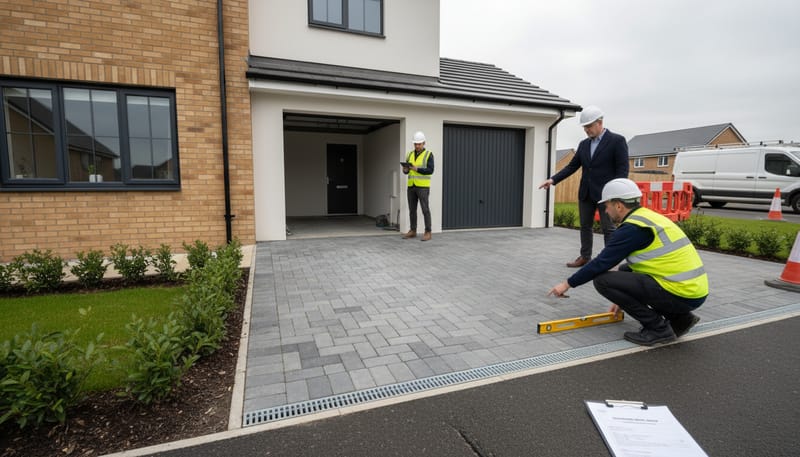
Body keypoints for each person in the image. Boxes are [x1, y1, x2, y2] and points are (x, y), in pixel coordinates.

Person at [546, 178, 708, 346]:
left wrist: (567, 284)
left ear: (618, 206)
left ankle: (658, 329)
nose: (606, 212)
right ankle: (682, 319)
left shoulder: (633, 228)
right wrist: (621, 299)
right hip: (693, 291)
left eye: (607, 206)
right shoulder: (647, 217)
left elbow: (601, 263)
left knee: (603, 281)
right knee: (624, 269)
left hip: (682, 293)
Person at [539, 106, 629, 267]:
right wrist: (552, 180)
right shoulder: (584, 144)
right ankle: (585, 257)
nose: (586, 130)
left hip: (607, 196)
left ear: (600, 123)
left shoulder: (617, 141)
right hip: (586, 193)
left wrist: (616, 194)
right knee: (585, 226)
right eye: (584, 127)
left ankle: (610, 262)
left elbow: (622, 170)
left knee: (608, 229)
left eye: (589, 126)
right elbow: (572, 166)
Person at [402, 131, 434, 241]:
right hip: (411, 186)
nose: (417, 146)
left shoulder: (429, 154)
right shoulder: (409, 154)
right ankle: (413, 231)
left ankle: (428, 232)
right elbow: (406, 172)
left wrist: (417, 169)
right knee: (412, 210)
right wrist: (405, 170)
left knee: (425, 209)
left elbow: (430, 170)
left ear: (424, 143)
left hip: (423, 187)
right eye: (415, 144)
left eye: (419, 144)